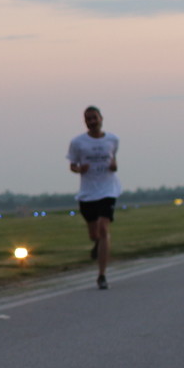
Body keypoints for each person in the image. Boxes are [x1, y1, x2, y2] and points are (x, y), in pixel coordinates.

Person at [67, 106, 120, 290]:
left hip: (108, 190)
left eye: (94, 118)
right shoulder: (78, 142)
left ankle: (102, 275)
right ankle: (97, 243)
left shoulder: (113, 139)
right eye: (88, 119)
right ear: (85, 121)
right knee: (94, 234)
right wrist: (79, 169)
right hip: (88, 193)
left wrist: (114, 166)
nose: (92, 122)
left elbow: (113, 160)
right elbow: (72, 165)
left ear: (101, 118)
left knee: (104, 229)